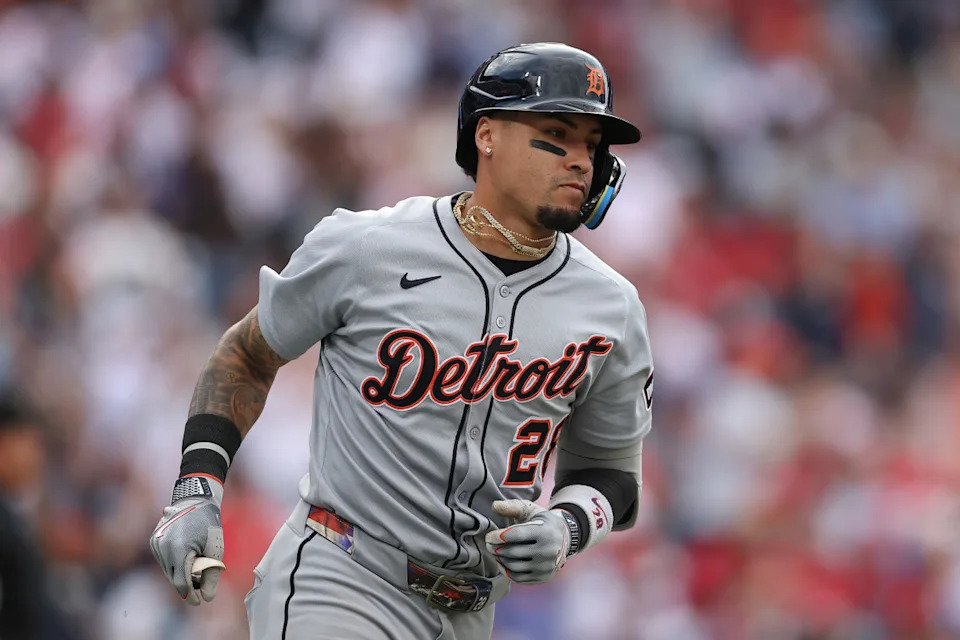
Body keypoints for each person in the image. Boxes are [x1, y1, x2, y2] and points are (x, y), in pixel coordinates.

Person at [149, 42, 654, 640]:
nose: (580, 161)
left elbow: (613, 477)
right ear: (487, 135)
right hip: (343, 577)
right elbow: (248, 354)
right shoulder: (369, 247)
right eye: (558, 134)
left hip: (471, 612)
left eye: (592, 146)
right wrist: (196, 487)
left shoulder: (611, 305)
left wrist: (569, 525)